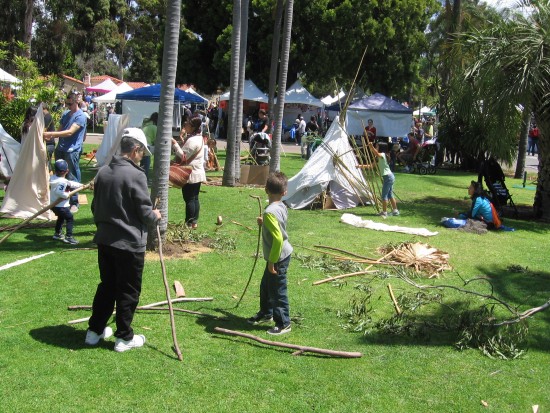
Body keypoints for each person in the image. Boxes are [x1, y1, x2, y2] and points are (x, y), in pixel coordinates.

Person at [86, 128, 161, 352]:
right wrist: (154, 216)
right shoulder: (136, 175)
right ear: (135, 149)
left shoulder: (103, 172)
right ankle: (124, 338)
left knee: (107, 286)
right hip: (129, 244)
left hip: (105, 240)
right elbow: (145, 213)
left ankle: (94, 331)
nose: (142, 158)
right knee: (128, 291)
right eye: (142, 154)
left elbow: (94, 207)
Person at [247, 171, 293, 335]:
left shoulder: (270, 212)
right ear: (284, 192)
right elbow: (277, 223)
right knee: (266, 286)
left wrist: (272, 261)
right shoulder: (281, 205)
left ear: (266, 189)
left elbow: (278, 239)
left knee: (277, 290)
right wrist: (264, 222)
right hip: (281, 254)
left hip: (278, 256)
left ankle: (284, 323)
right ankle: (266, 313)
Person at [44, 92, 87, 212]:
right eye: (66, 103)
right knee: (59, 175)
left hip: (72, 150)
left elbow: (69, 132)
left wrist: (51, 134)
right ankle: (58, 200)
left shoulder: (80, 116)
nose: (68, 106)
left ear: (76, 102)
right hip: (61, 148)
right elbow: (60, 129)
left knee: (72, 176)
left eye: (70, 103)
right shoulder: (65, 114)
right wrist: (51, 137)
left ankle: (74, 202)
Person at [171, 117, 206, 229]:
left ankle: (189, 223)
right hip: (198, 172)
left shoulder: (192, 140)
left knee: (189, 199)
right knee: (195, 198)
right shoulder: (199, 138)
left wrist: (175, 144)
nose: (185, 127)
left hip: (191, 174)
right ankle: (194, 222)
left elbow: (184, 157)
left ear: (193, 127)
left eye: (187, 125)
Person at [358, 142, 399, 218]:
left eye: (376, 146)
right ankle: (395, 211)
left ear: (380, 148)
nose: (376, 148)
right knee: (390, 194)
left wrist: (370, 147)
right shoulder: (379, 157)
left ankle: (384, 212)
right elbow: (371, 166)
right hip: (389, 177)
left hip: (388, 177)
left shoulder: (382, 154)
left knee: (384, 195)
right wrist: (360, 166)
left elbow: (376, 153)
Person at [49, 159, 82, 245]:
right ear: (67, 171)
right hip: (61, 206)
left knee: (61, 218)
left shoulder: (53, 178)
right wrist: (66, 195)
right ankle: (69, 237)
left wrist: (81, 185)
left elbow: (69, 183)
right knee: (70, 218)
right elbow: (59, 192)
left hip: (54, 205)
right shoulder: (62, 182)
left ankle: (57, 234)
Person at [140, 112, 158, 181]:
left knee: (142, 164)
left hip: (140, 145)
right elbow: (156, 140)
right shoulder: (154, 127)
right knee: (146, 164)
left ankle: (142, 178)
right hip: (146, 146)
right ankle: (145, 179)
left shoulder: (145, 124)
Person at [43, 104, 56, 170]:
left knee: (46, 165)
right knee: (46, 164)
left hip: (48, 144)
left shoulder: (47, 117)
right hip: (49, 144)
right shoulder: (47, 116)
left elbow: (43, 130)